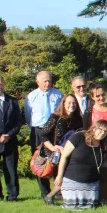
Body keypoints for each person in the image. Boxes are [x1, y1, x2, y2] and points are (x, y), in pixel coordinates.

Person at [50, 120, 107, 209]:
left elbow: (102, 163)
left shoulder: (103, 144)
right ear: (94, 129)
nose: (102, 133)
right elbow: (64, 157)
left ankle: (50, 196)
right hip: (73, 179)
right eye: (100, 129)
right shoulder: (78, 137)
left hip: (92, 183)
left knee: (91, 207)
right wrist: (59, 176)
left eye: (105, 131)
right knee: (72, 207)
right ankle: (50, 196)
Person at [37, 94, 84, 204]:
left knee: (65, 175)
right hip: (55, 153)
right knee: (61, 175)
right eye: (69, 103)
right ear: (63, 104)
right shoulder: (56, 117)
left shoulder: (78, 118)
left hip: (69, 152)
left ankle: (53, 196)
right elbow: (42, 134)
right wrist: (52, 147)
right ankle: (50, 196)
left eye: (74, 103)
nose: (72, 105)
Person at [25, 70, 64, 198]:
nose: (47, 83)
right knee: (40, 160)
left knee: (57, 158)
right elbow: (28, 116)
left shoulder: (58, 94)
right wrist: (37, 130)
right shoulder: (31, 97)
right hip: (38, 131)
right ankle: (44, 191)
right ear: (38, 82)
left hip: (54, 131)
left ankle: (58, 190)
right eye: (44, 81)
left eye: (49, 81)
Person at [83, 83, 107, 202]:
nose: (101, 98)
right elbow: (86, 131)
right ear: (92, 97)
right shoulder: (89, 112)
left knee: (106, 175)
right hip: (94, 147)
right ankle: (92, 198)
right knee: (94, 174)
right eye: (98, 96)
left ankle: (103, 199)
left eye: (103, 95)